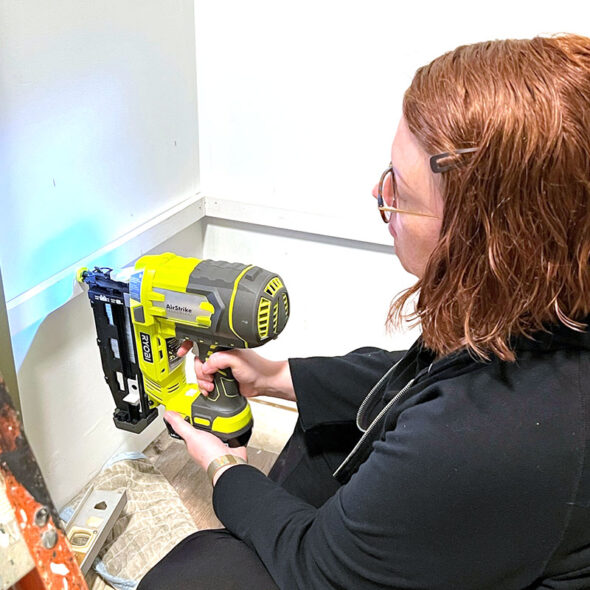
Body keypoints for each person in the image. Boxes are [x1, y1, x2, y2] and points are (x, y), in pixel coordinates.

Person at [138, 34, 590, 589]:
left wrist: (223, 469)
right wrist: (278, 377)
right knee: (327, 435)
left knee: (199, 574)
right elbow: (424, 372)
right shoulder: (551, 302)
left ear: (486, 235)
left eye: (400, 190)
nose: (380, 198)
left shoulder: (494, 432)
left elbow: (316, 567)